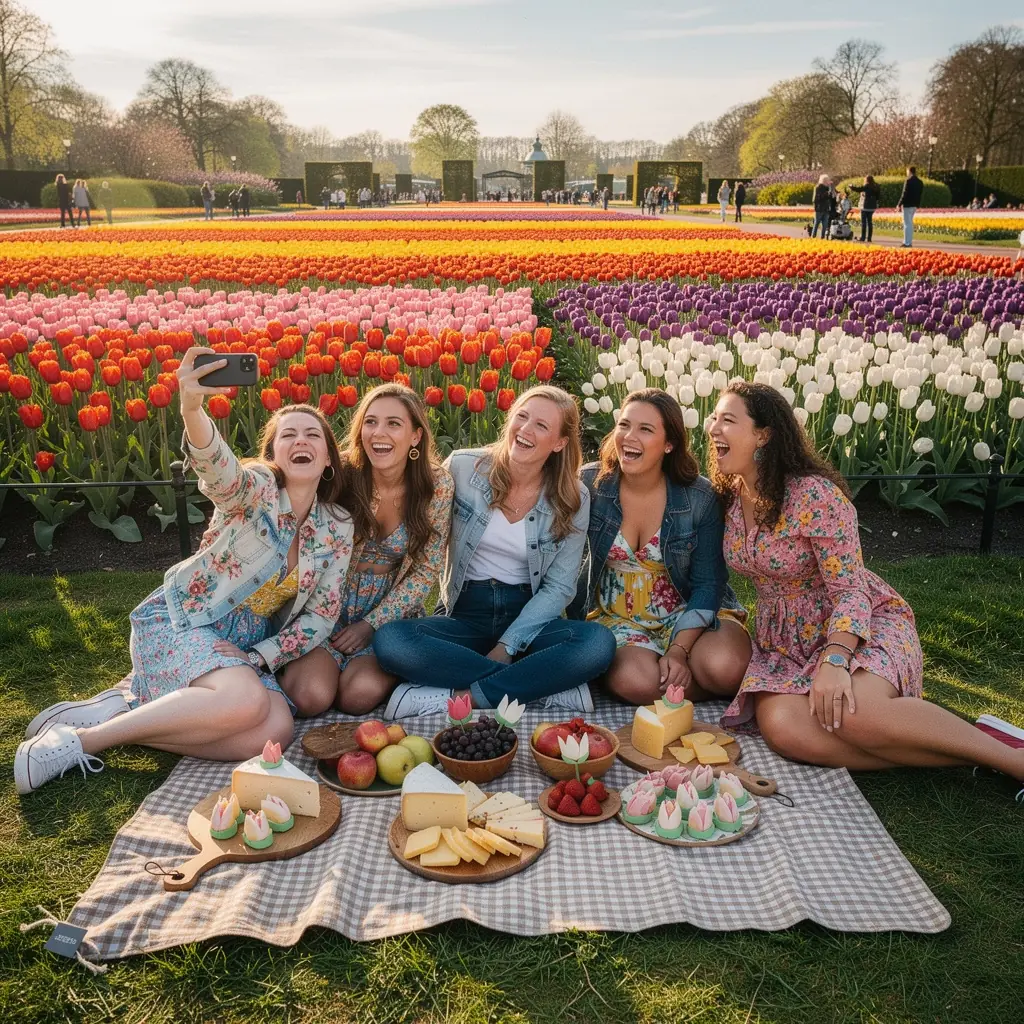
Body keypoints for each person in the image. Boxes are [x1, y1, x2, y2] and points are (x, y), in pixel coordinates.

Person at [14, 349, 355, 795]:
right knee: (248, 700)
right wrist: (191, 408)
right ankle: (78, 741)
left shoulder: (337, 527)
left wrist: (261, 655)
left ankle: (126, 710)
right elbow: (220, 472)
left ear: (329, 458)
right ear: (272, 454)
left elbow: (320, 616)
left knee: (273, 731)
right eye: (287, 435)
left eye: (313, 434)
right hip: (186, 620)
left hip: (242, 647)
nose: (301, 441)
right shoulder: (255, 490)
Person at [705, 381, 1024, 792]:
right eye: (713, 417)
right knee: (785, 730)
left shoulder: (813, 496)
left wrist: (836, 660)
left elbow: (851, 590)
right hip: (783, 645)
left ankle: (1012, 760)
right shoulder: (727, 497)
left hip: (857, 626)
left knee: (854, 715)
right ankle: (970, 750)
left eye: (727, 419)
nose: (713, 427)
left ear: (763, 434)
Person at [374, 385, 616, 719]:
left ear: (559, 443)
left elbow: (559, 587)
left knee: (597, 644)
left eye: (541, 426)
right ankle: (541, 684)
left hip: (530, 617)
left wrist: (508, 646)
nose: (526, 429)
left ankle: (460, 696)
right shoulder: (462, 468)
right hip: (465, 614)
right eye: (522, 416)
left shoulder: (573, 498)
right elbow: (424, 533)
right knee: (392, 641)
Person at [280, 384, 454, 717]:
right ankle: (318, 671)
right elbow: (284, 477)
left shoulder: (436, 485)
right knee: (310, 698)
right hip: (325, 609)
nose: (378, 433)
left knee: (356, 698)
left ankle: (394, 674)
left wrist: (372, 624)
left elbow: (428, 569)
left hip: (388, 616)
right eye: (370, 422)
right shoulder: (341, 474)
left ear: (416, 436)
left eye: (393, 423)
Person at [570, 389, 750, 707]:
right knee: (636, 682)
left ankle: (700, 683)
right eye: (624, 425)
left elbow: (709, 584)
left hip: (687, 610)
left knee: (727, 666)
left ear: (669, 445)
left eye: (645, 429)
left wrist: (679, 651)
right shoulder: (591, 484)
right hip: (619, 619)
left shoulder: (699, 498)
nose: (629, 437)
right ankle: (696, 691)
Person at [895, 166, 923, 248]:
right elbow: (919, 194)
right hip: (914, 205)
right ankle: (908, 241)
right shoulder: (920, 182)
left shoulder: (908, 181)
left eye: (907, 171)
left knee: (907, 224)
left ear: (909, 171)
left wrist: (899, 204)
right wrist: (917, 204)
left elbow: (904, 194)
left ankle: (907, 242)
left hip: (907, 205)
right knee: (910, 223)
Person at [848, 174, 880, 242]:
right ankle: (869, 238)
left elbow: (859, 189)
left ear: (866, 180)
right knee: (870, 222)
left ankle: (863, 237)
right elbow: (878, 197)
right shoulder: (876, 186)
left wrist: (851, 187)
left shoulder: (867, 186)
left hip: (865, 207)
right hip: (872, 207)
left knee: (864, 223)